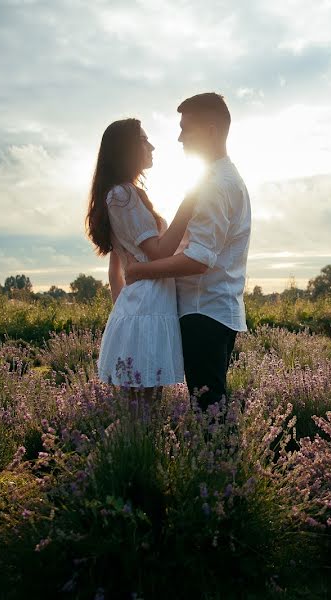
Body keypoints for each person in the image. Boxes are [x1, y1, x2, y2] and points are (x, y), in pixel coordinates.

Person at [124, 93, 250, 410]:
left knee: (209, 412)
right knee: (210, 406)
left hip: (203, 312)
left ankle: (220, 460)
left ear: (210, 131)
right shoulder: (220, 178)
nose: (179, 137)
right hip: (216, 309)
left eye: (186, 129)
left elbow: (199, 259)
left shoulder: (216, 184)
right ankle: (220, 458)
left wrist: (139, 271)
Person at [86, 118, 197, 395]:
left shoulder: (121, 194)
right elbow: (159, 252)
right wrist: (188, 203)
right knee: (143, 407)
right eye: (144, 140)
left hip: (143, 308)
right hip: (147, 307)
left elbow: (116, 270)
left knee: (143, 406)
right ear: (127, 148)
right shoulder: (123, 195)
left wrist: (125, 316)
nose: (152, 146)